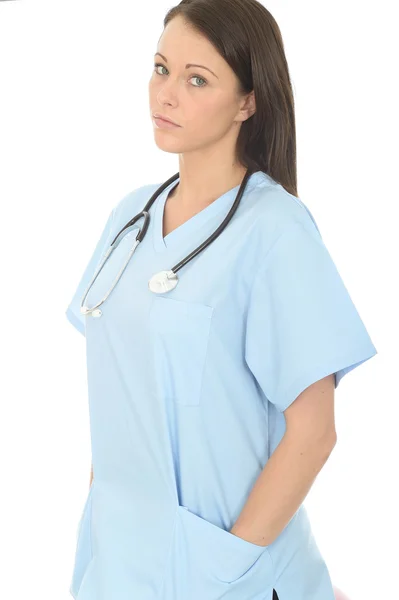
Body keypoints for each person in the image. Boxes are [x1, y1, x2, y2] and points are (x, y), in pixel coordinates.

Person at [65, 2, 378, 600]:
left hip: (227, 572)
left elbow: (313, 433)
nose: (166, 94)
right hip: (121, 563)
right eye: (160, 69)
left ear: (248, 102)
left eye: (196, 79)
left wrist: (223, 570)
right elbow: (118, 397)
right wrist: (103, 524)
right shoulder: (128, 218)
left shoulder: (276, 230)